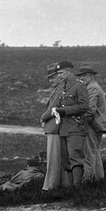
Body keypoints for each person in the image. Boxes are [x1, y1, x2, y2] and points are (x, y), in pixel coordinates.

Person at [40, 60, 91, 185]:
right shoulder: (64, 88)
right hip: (64, 128)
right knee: (66, 160)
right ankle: (69, 189)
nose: (59, 76)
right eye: (58, 74)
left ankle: (77, 189)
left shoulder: (79, 86)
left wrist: (63, 111)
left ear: (69, 72)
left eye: (61, 73)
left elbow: (84, 107)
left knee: (75, 158)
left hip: (76, 127)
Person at [75, 63, 106, 181]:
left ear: (91, 76)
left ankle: (88, 180)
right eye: (80, 76)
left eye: (84, 75)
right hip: (96, 124)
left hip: (93, 125)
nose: (82, 78)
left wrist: (80, 120)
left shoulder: (92, 88)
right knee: (95, 152)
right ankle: (99, 179)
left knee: (89, 152)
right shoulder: (93, 86)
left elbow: (90, 109)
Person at [40, 62, 69, 190]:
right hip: (56, 128)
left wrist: (43, 117)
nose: (51, 80)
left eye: (53, 77)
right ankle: (61, 186)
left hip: (55, 128)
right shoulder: (59, 89)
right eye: (49, 78)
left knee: (53, 159)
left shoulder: (61, 89)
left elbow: (53, 108)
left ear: (59, 76)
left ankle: (51, 187)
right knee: (60, 159)